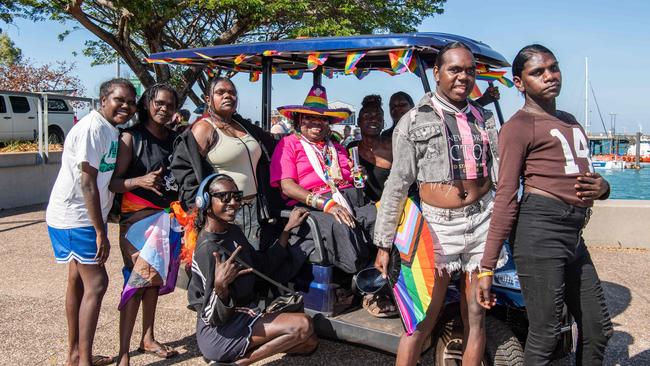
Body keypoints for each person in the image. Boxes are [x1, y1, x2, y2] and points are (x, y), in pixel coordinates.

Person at [478, 44, 612, 365]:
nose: (549, 76)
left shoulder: (569, 121)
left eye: (553, 68)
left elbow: (588, 179)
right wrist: (486, 265)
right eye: (537, 72)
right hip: (539, 234)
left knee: (598, 328)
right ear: (520, 83)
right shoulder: (518, 127)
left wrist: (604, 188)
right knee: (546, 333)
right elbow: (506, 196)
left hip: (573, 236)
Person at [374, 42, 507, 366]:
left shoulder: (485, 118)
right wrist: (384, 243)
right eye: (455, 69)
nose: (464, 77)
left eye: (470, 71)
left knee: (475, 316)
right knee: (421, 318)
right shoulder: (412, 121)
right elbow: (398, 184)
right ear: (437, 72)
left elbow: (501, 171)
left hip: (482, 222)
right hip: (436, 227)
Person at [46, 78, 137, 366]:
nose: (126, 106)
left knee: (78, 280)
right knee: (97, 284)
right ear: (102, 101)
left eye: (131, 102)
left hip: (78, 217)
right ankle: (82, 361)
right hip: (77, 217)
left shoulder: (110, 130)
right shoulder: (92, 128)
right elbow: (87, 183)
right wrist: (100, 231)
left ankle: (76, 355)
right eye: (119, 100)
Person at [188, 173, 318, 365]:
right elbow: (210, 315)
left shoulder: (233, 231)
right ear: (206, 202)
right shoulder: (208, 249)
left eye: (236, 196)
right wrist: (220, 287)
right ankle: (237, 363)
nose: (233, 203)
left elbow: (261, 266)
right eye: (224, 197)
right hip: (219, 331)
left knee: (309, 344)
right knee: (303, 325)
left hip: (244, 314)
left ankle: (236, 354)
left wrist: (287, 229)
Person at [270, 85, 378, 283]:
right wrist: (326, 204)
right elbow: (287, 185)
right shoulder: (288, 144)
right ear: (299, 120)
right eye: (309, 118)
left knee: (377, 216)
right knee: (342, 226)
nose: (316, 123)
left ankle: (381, 267)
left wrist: (358, 175)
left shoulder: (335, 146)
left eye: (322, 119)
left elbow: (350, 178)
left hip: (350, 199)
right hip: (314, 205)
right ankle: (363, 279)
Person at [109, 83, 181, 365]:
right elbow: (113, 182)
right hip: (136, 220)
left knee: (153, 283)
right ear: (147, 104)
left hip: (166, 218)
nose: (164, 109)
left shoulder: (175, 139)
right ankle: (124, 353)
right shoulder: (131, 137)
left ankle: (148, 337)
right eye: (159, 103)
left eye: (170, 105)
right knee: (136, 282)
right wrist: (139, 181)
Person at [171, 77, 278, 249]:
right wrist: (200, 206)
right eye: (220, 92)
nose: (228, 96)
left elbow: (273, 145)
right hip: (225, 211)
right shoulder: (203, 128)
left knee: (252, 260)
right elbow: (184, 169)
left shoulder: (243, 125)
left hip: (254, 207)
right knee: (229, 263)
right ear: (208, 99)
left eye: (232, 93)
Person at [347, 95, 393, 202]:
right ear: (358, 122)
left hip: (393, 208)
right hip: (365, 210)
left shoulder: (393, 146)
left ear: (383, 123)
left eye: (378, 116)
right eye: (367, 116)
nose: (373, 120)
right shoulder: (352, 149)